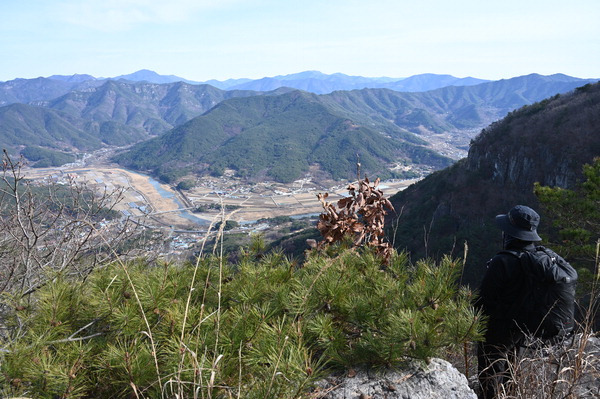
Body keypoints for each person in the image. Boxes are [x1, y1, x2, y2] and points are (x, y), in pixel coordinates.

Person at [476, 205, 544, 399]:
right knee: (512, 368)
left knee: (489, 372)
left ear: (511, 233)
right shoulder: (537, 257)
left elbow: (483, 300)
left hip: (498, 327)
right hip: (522, 328)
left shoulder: (502, 261)